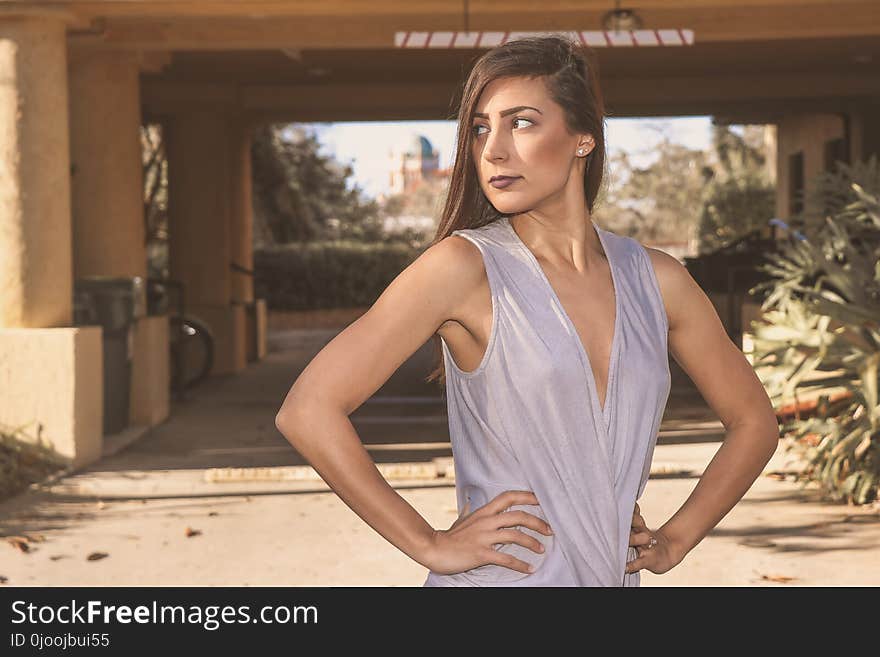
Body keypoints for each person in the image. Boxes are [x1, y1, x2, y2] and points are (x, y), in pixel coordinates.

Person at [274, 35, 779, 586]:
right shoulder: (462, 269)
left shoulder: (659, 281)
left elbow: (754, 422)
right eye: (481, 127)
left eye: (522, 122)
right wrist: (429, 544)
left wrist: (676, 539)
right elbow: (308, 410)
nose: (493, 150)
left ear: (582, 138)